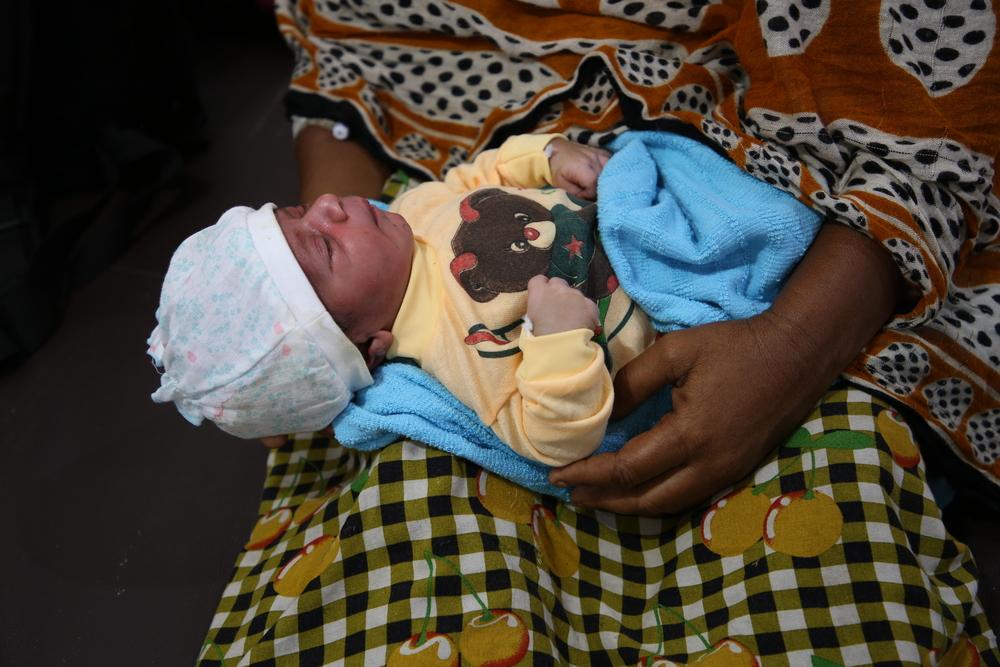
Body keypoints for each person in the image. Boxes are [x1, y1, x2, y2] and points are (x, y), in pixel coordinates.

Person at [150, 131, 823, 468]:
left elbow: (482, 172)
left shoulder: (413, 212)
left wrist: (548, 158)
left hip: (632, 202)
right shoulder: (452, 349)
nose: (329, 205)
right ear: (366, 343)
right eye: (322, 245)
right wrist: (558, 340)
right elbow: (549, 434)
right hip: (659, 286)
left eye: (301, 210)